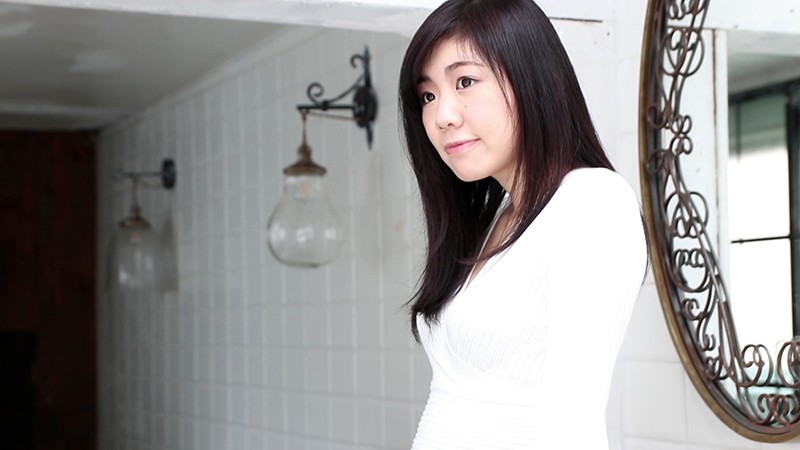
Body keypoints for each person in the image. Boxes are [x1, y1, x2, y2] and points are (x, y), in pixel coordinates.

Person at [398, 0, 648, 448]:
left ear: (532, 78)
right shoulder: (502, 217)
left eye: (465, 81)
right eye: (428, 96)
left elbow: (573, 422)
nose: (442, 116)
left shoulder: (592, 202)